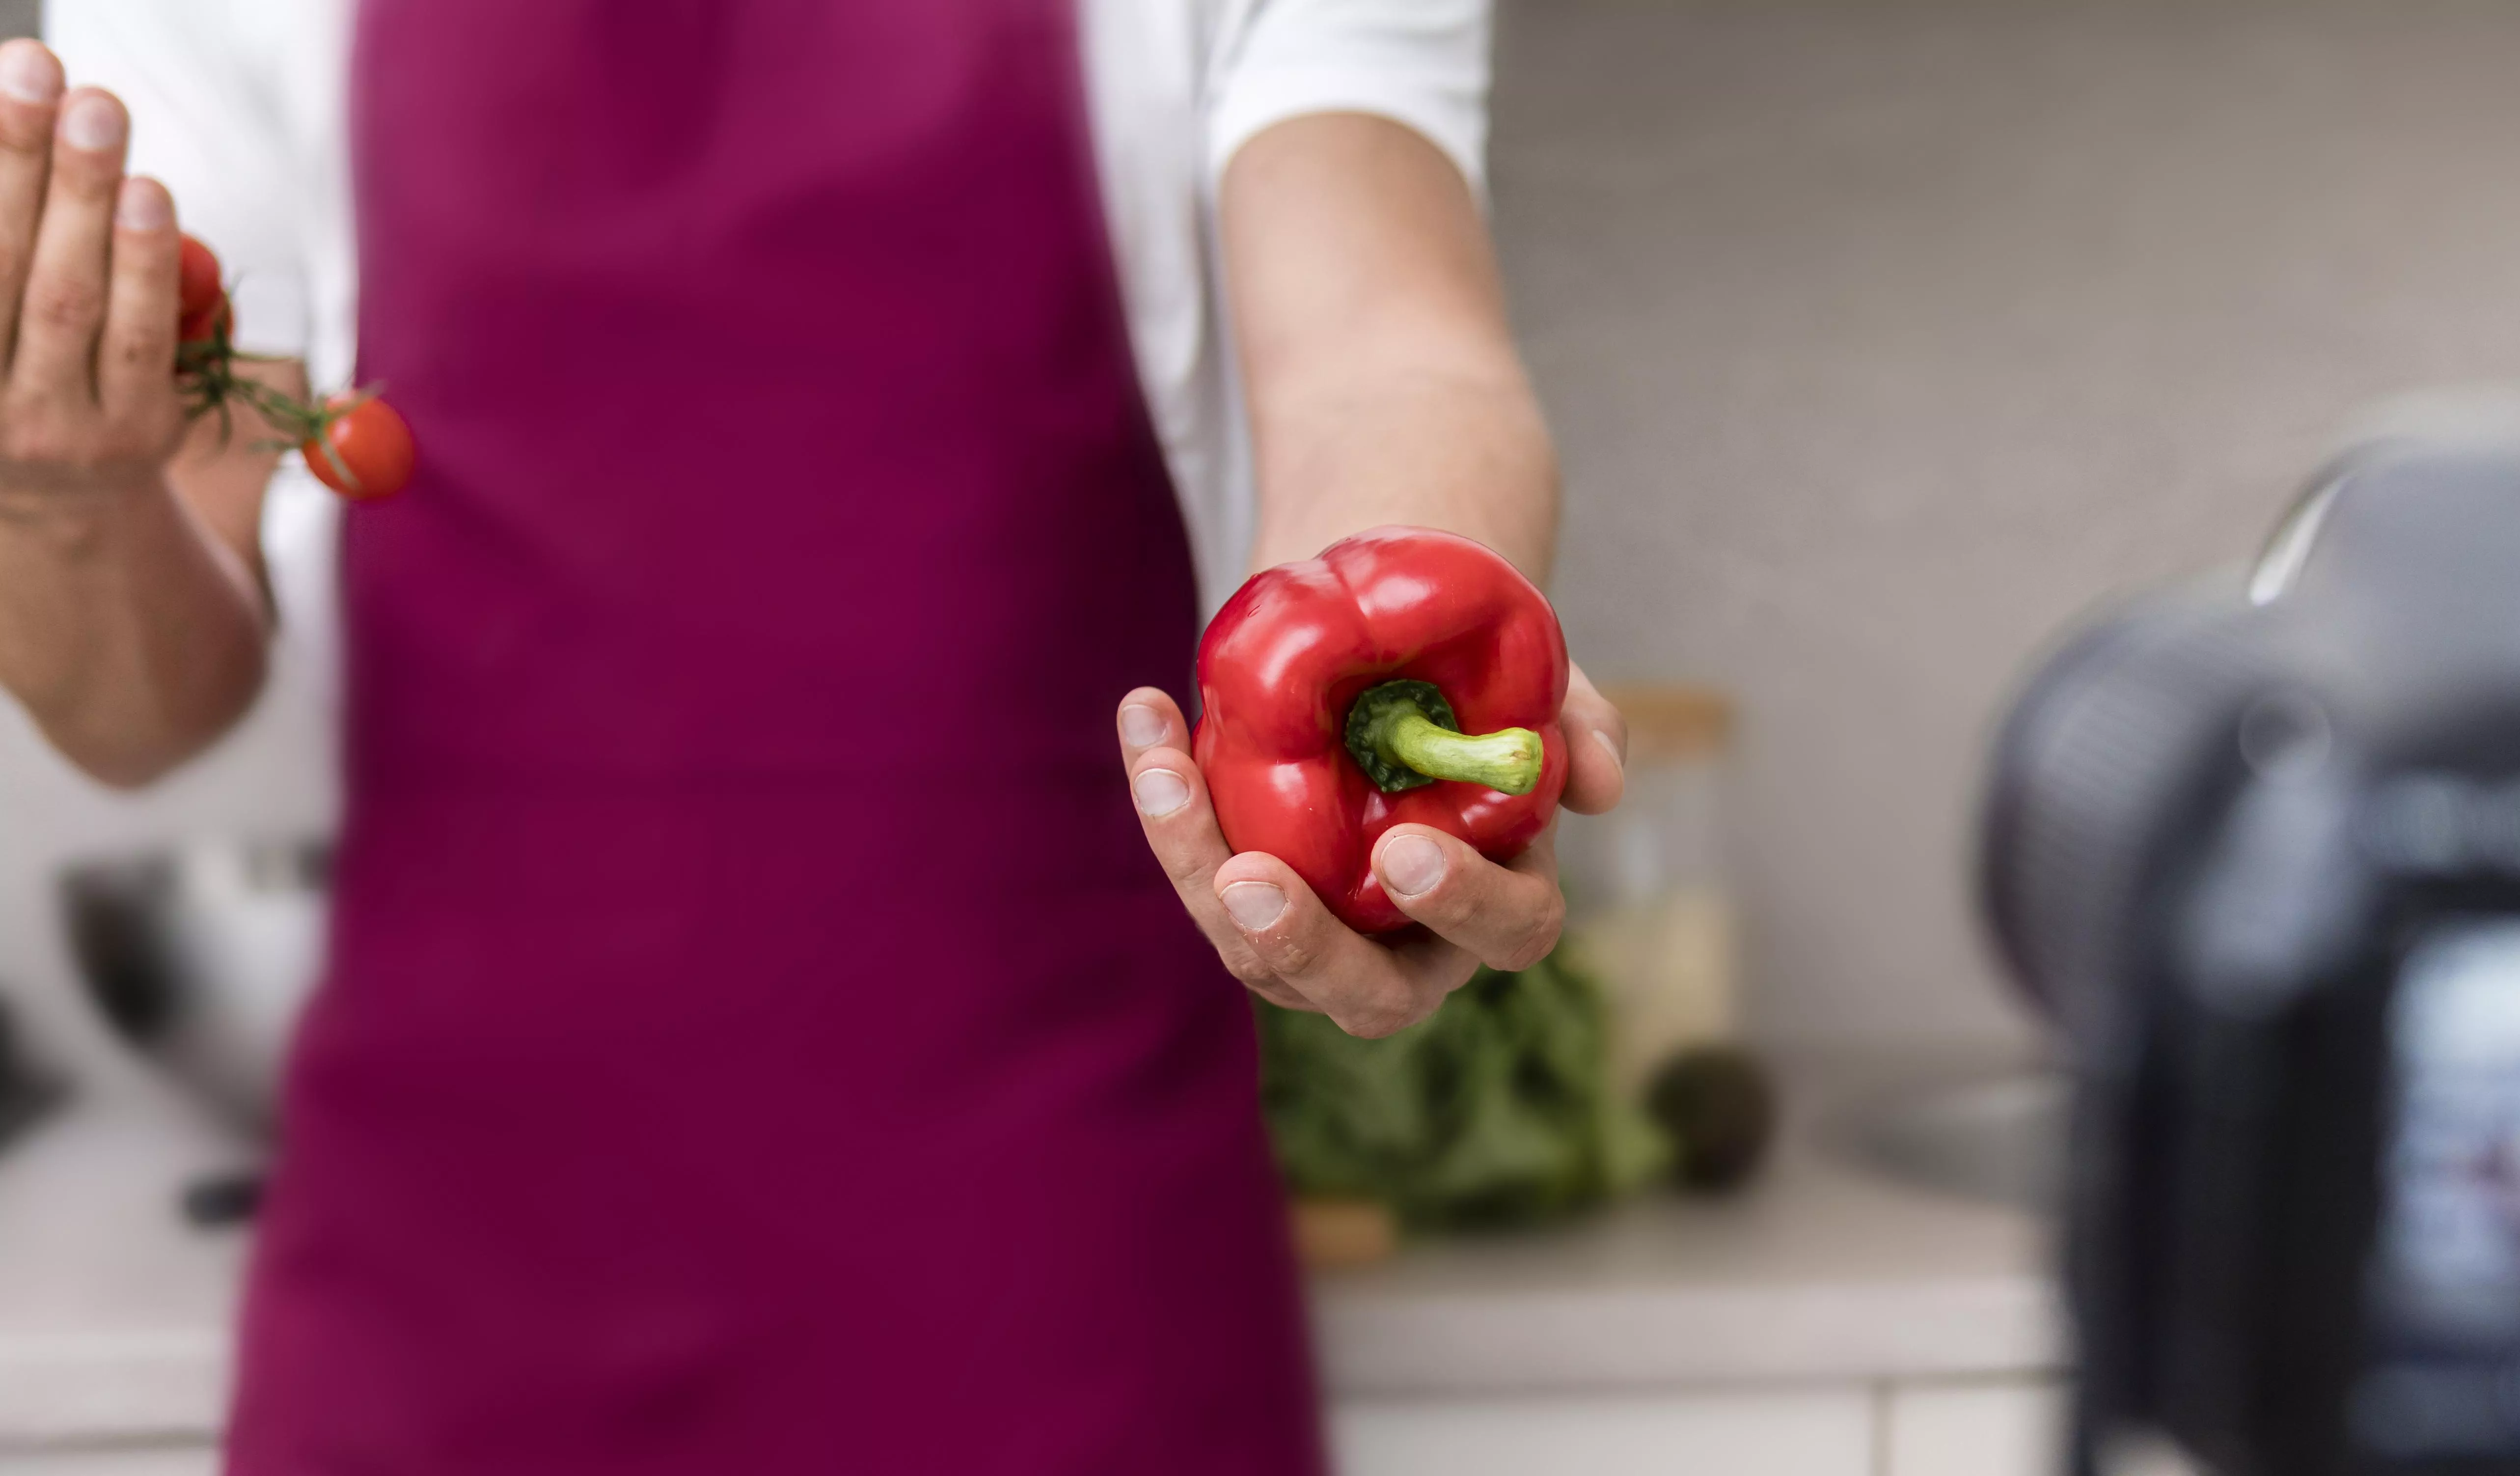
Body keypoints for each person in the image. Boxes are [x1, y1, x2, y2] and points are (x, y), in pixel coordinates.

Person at [0, 1, 1625, 1470]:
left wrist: (1398, 676)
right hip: (441, 1308)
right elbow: (157, 714)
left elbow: (1383, 354)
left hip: (1056, 1294)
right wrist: (60, 505)